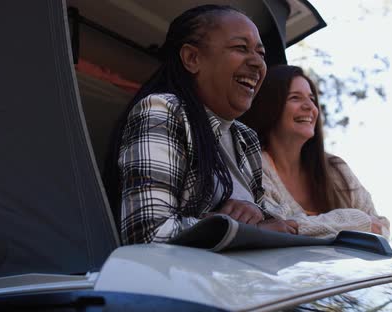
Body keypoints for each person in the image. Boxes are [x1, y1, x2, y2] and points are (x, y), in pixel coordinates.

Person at [116, 5, 298, 244]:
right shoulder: (164, 109)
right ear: (193, 58)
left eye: (261, 53)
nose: (257, 63)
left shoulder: (246, 138)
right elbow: (148, 233)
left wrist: (257, 215)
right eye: (241, 48)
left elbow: (273, 219)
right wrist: (232, 228)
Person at [240, 65, 390, 239]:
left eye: (312, 99)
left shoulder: (336, 169)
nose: (309, 107)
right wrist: (359, 222)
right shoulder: (255, 167)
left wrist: (298, 225)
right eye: (295, 98)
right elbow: (278, 229)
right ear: (270, 106)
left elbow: (381, 229)